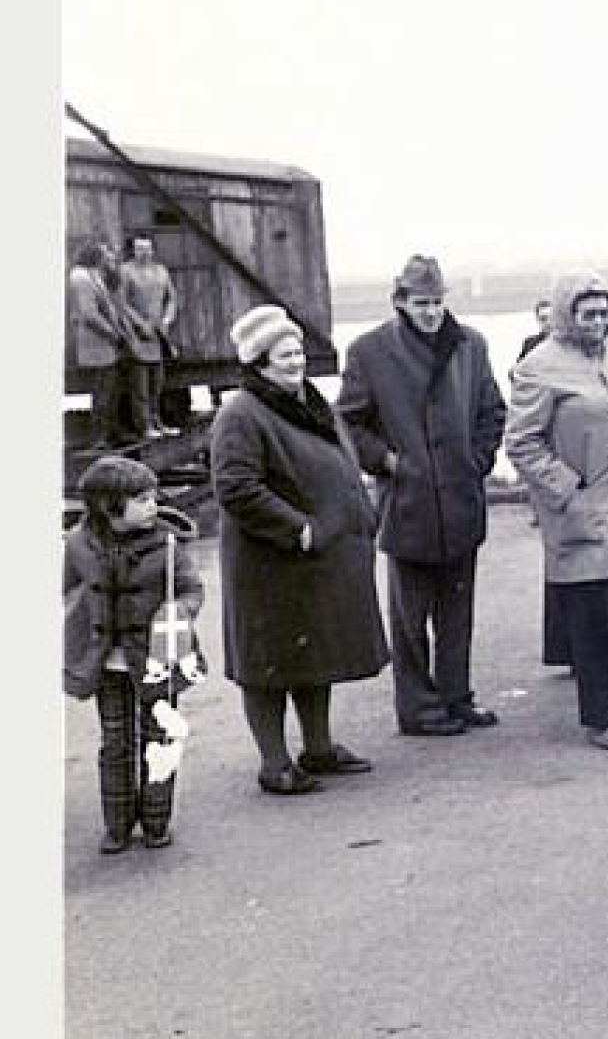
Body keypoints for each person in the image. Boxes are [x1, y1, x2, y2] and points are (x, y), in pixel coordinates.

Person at [211, 306, 388, 795]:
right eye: (284, 354)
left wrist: (359, 513)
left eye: (297, 352)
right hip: (270, 563)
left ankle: (319, 748)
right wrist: (299, 530)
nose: (296, 362)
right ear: (259, 360)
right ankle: (274, 763)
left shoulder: (308, 401)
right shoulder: (241, 412)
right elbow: (236, 486)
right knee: (267, 665)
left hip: (314, 563)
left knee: (314, 653)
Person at [338, 254, 508, 737]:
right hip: (408, 504)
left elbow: (492, 410)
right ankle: (418, 707)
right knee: (410, 617)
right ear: (400, 302)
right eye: (421, 303)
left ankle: (457, 696)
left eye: (437, 302)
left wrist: (477, 461)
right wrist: (390, 463)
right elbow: (348, 421)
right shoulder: (369, 351)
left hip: (459, 498)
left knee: (458, 611)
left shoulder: (471, 346)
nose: (432, 312)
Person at [504, 274, 608, 748]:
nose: (598, 323)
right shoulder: (539, 366)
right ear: (565, 315)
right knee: (592, 612)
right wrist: (566, 489)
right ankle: (601, 716)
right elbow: (522, 442)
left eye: (604, 313)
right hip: (582, 504)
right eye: (587, 314)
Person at [63, 456, 203, 851]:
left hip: (158, 656)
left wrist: (182, 610)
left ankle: (157, 821)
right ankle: (118, 825)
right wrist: (79, 625)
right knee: (115, 741)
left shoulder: (169, 543)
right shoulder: (78, 546)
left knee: (159, 736)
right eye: (142, 500)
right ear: (110, 508)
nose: (154, 506)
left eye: (153, 497)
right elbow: (66, 592)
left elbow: (191, 588)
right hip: (105, 662)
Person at [68, 241, 139, 448]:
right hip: (96, 343)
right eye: (106, 253)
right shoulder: (81, 277)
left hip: (104, 344)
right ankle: (99, 438)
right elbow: (89, 314)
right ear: (95, 254)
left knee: (110, 390)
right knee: (102, 392)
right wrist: (113, 334)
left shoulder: (94, 276)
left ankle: (109, 433)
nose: (110, 256)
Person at [116, 236, 182, 437]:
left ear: (153, 250)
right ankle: (145, 426)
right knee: (140, 386)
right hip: (138, 335)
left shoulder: (161, 271)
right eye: (139, 249)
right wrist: (139, 324)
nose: (144, 253)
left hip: (159, 334)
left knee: (157, 383)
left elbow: (172, 298)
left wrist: (167, 319)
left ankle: (158, 422)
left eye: (147, 249)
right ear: (133, 251)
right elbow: (121, 303)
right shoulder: (125, 271)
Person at [517, 299, 553, 364]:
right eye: (543, 319)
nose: (548, 322)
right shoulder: (530, 343)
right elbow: (515, 370)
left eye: (551, 317)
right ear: (538, 320)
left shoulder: (569, 342)